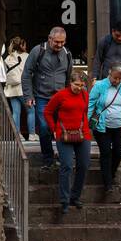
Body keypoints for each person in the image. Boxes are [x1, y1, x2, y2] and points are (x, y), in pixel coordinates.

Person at [87, 63, 121, 202]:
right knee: (105, 152)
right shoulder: (99, 86)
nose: (116, 81)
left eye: (119, 78)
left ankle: (109, 174)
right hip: (102, 126)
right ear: (109, 74)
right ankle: (108, 184)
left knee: (118, 152)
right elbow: (90, 103)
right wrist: (86, 121)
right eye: (114, 78)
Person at [22, 26, 73, 171]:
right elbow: (26, 74)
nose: (60, 45)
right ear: (50, 39)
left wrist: (71, 96)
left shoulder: (67, 53)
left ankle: (64, 157)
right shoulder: (38, 51)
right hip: (42, 97)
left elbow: (69, 77)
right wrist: (28, 96)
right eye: (57, 42)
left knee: (63, 128)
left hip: (62, 98)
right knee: (45, 128)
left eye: (62, 42)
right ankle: (48, 158)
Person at [45, 72, 91, 215]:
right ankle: (64, 200)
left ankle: (75, 196)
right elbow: (47, 112)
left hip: (82, 133)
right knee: (66, 165)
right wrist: (54, 129)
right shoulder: (61, 95)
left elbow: (84, 112)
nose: (79, 88)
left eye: (82, 85)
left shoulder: (85, 95)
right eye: (77, 85)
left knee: (83, 165)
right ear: (70, 83)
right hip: (63, 134)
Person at [0, 37, 31, 139]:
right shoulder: (27, 56)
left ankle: (17, 135)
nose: (26, 47)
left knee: (16, 112)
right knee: (31, 111)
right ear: (21, 46)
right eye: (24, 45)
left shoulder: (8, 57)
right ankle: (32, 134)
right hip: (23, 89)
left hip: (11, 89)